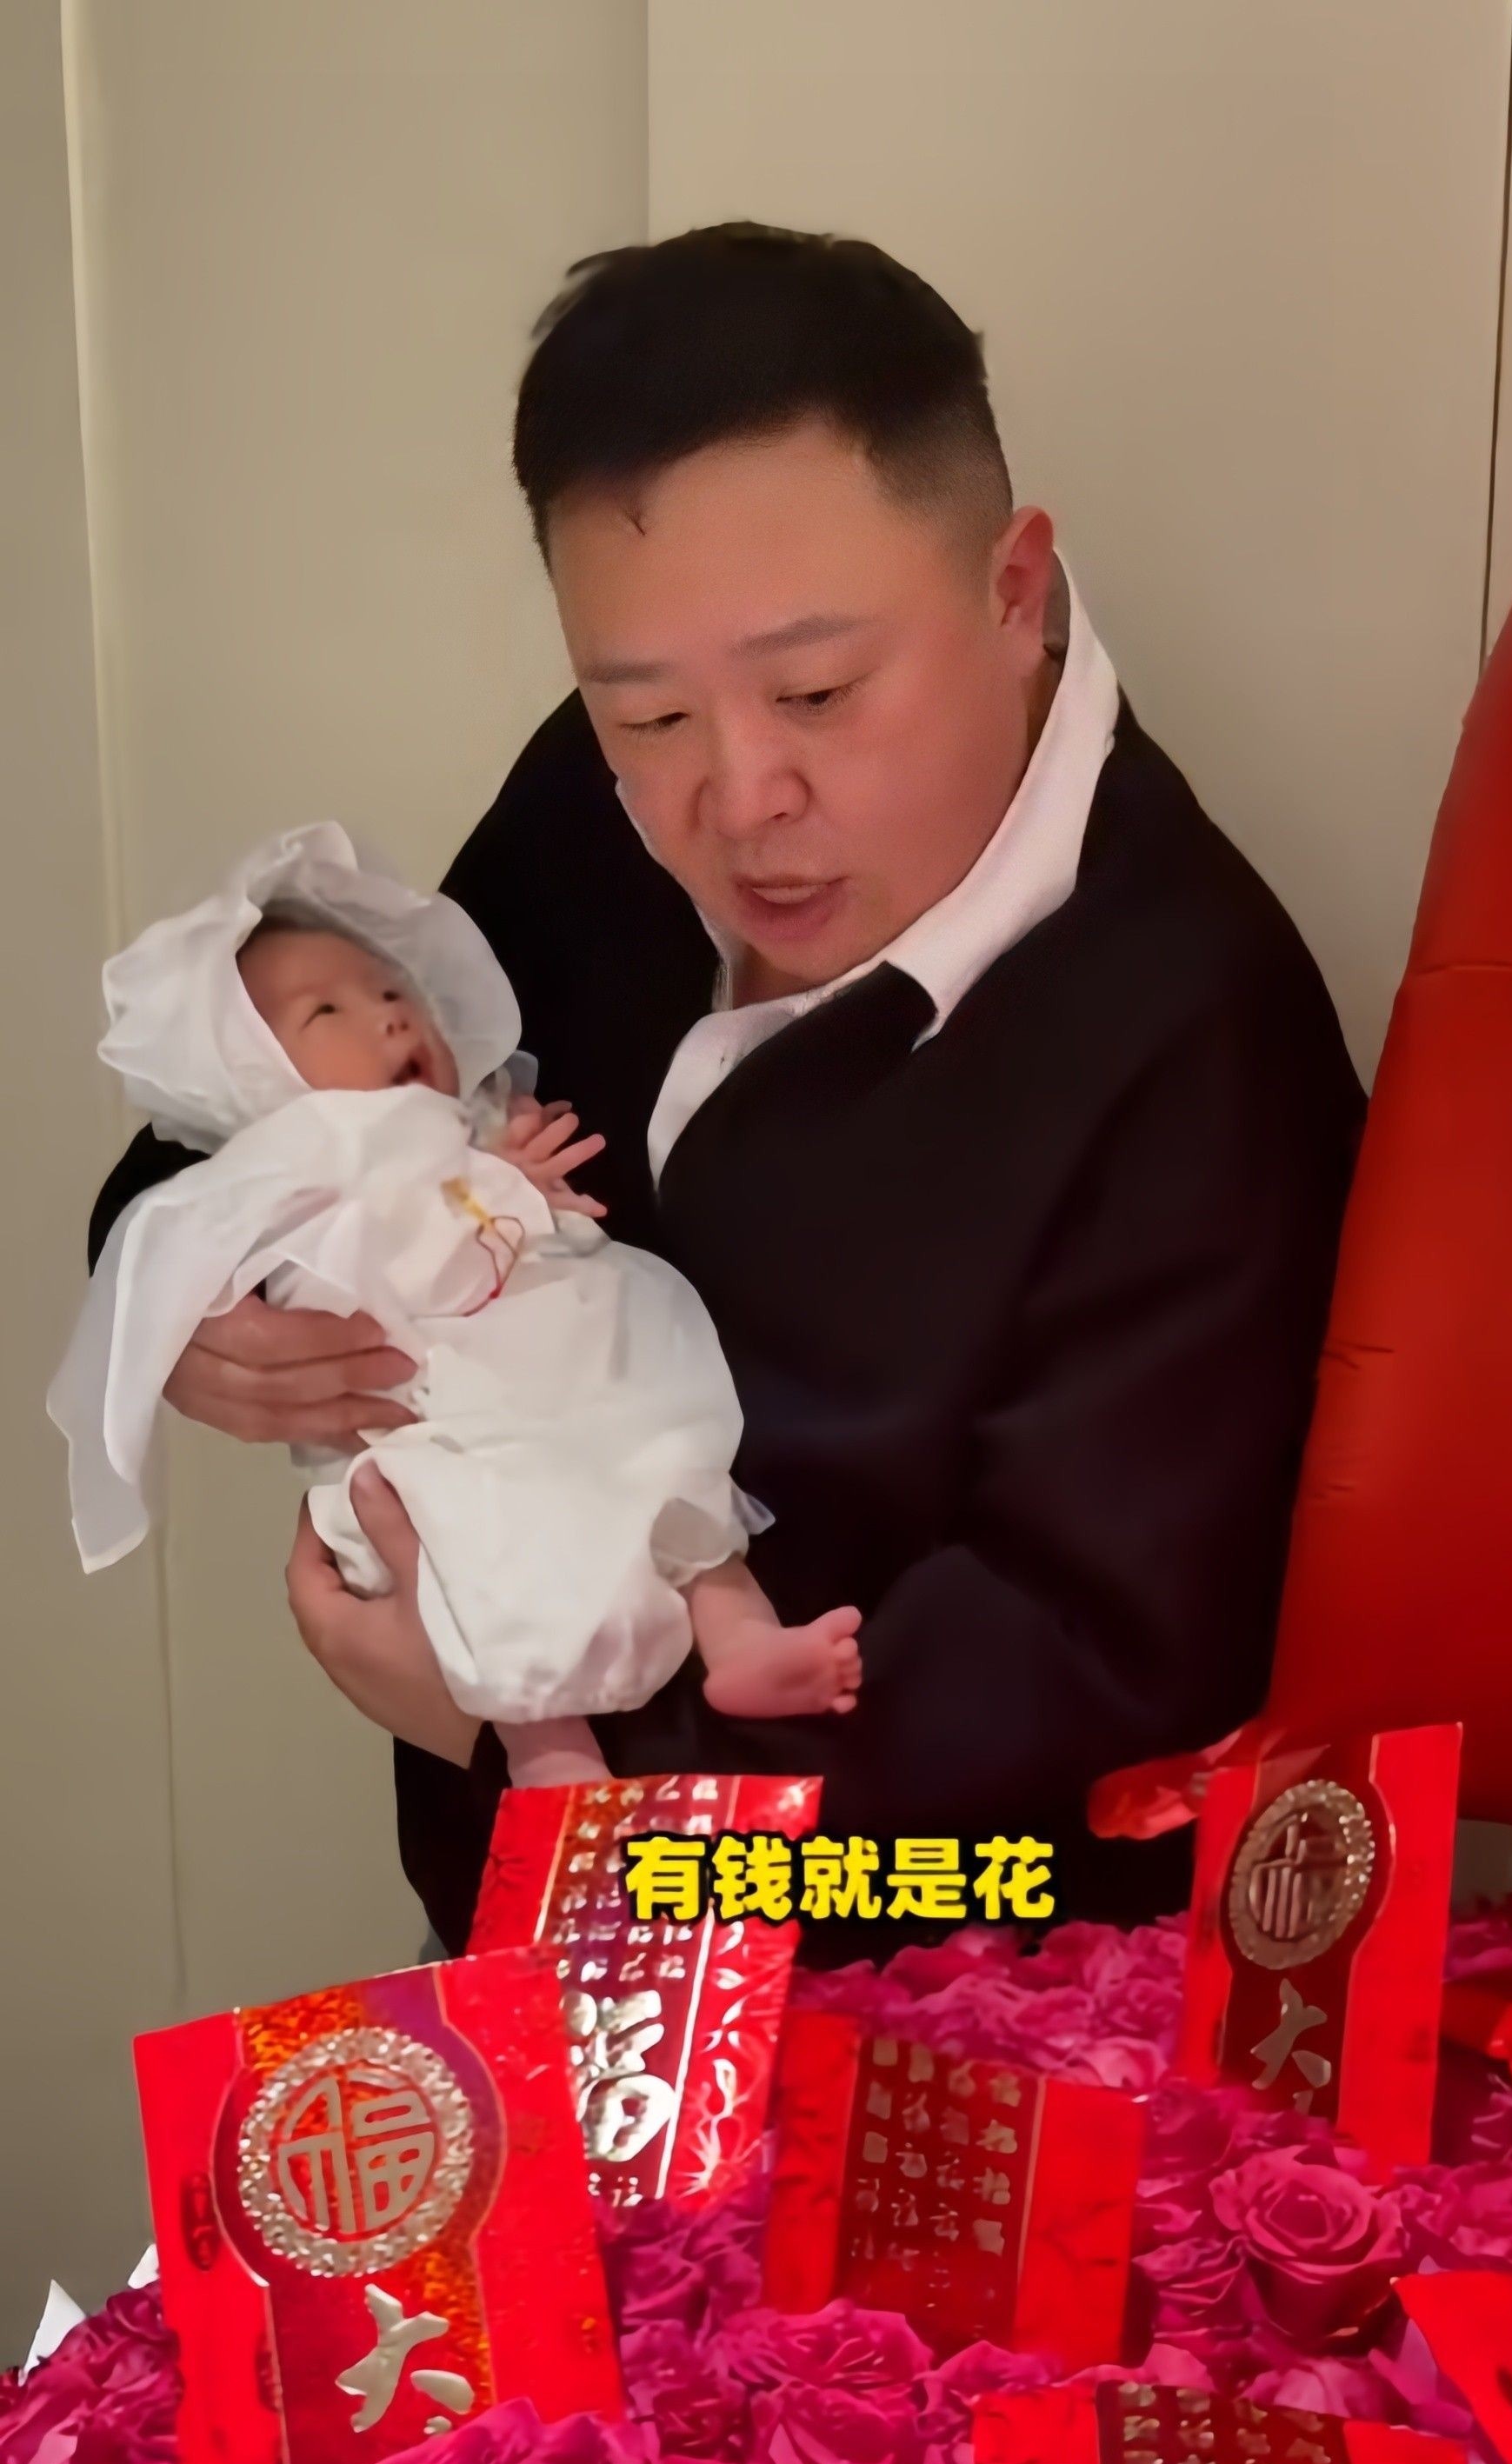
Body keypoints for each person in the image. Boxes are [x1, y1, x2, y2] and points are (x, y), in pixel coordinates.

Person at [90, 223, 1364, 1958]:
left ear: (1011, 589)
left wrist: (534, 1761)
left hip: (932, 2000)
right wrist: (182, 1285)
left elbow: (1066, 1745)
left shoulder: (1194, 1038)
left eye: (817, 693)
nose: (739, 796)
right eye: (646, 715)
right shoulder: (602, 797)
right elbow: (323, 1071)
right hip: (525, 1954)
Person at [57, 825, 862, 1788]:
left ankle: (744, 1643)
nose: (390, 1018)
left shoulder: (454, 1121)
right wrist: (500, 1186)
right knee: (498, 1567)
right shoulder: (306, 1173)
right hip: (459, 1436)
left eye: (393, 990)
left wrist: (508, 1158)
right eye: (328, 1011)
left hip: (573, 1389)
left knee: (675, 1477)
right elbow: (403, 1263)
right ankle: (544, 1750)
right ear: (252, 1075)